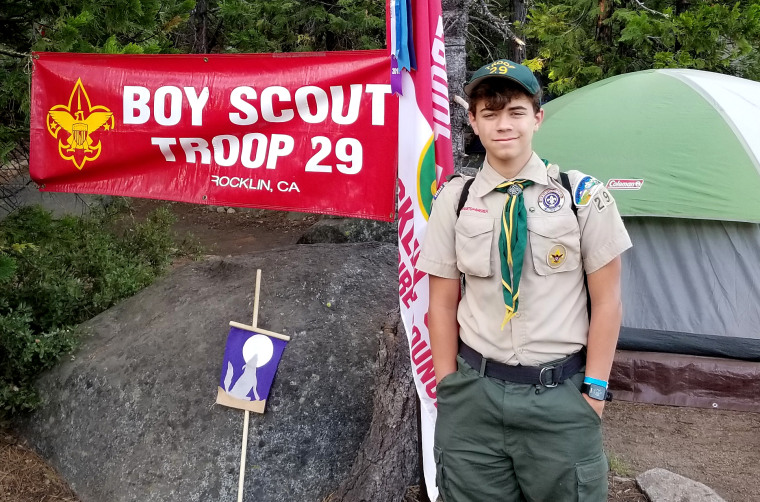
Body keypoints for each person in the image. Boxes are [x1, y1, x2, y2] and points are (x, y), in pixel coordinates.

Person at [417, 59, 632, 501]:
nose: (503, 125)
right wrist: (447, 386)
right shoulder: (454, 200)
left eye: (515, 111)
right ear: (473, 123)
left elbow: (608, 302)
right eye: (489, 114)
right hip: (474, 397)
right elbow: (440, 303)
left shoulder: (582, 196)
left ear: (537, 117)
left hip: (560, 398)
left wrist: (594, 390)